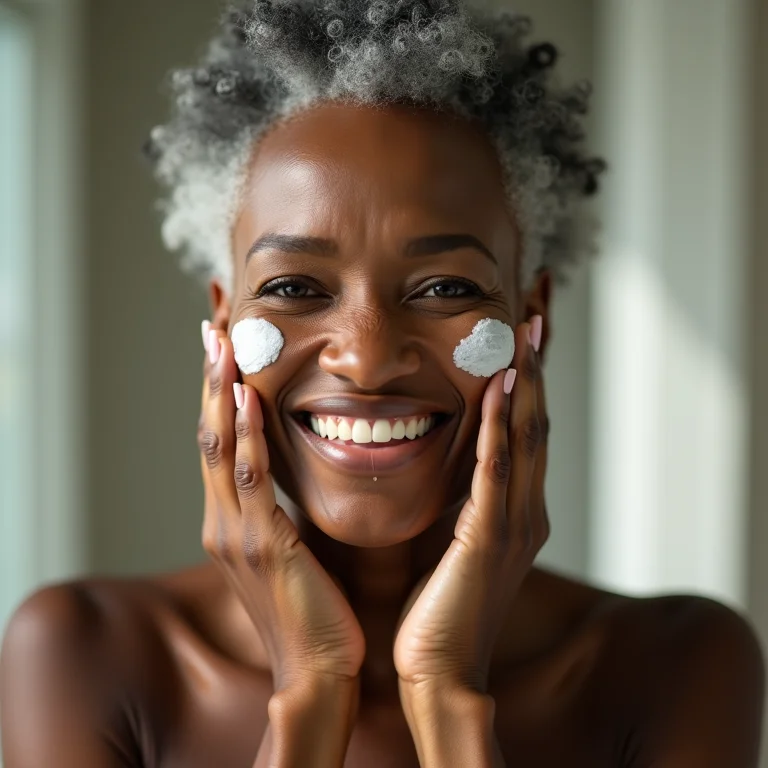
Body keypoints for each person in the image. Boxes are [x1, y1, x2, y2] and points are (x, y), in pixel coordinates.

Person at [1, 1, 764, 766]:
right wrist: (309, 690)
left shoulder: (675, 664)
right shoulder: (86, 653)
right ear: (223, 325)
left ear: (533, 319)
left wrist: (446, 692)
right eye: (297, 288)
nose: (366, 361)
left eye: (443, 290)